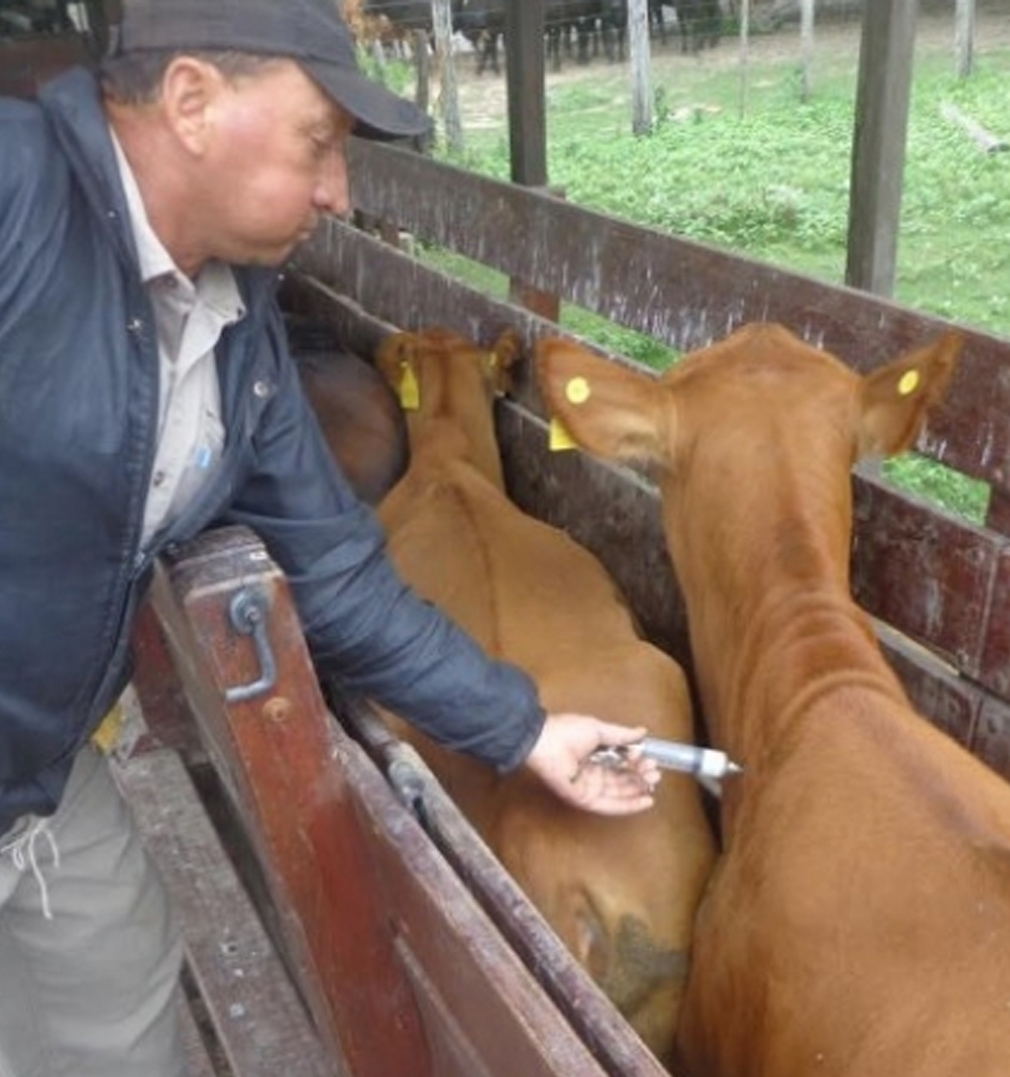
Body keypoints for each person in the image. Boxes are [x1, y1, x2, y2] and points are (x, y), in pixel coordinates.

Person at [0, 0, 660, 1073]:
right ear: (193, 103)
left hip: (34, 776)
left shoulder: (235, 332)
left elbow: (340, 576)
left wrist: (523, 728)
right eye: (320, 141)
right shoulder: (18, 195)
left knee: (118, 979)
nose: (338, 192)